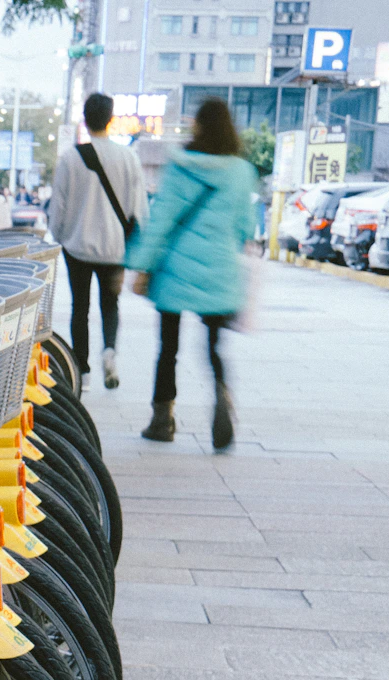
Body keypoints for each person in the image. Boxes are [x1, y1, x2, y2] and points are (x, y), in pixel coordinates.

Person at [126, 96, 257, 451]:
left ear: (198, 126)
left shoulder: (180, 167)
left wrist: (143, 266)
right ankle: (221, 393)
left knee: (168, 348)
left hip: (174, 271)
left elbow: (164, 220)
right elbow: (246, 227)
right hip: (220, 272)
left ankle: (162, 419)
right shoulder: (241, 171)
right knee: (214, 346)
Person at [48, 92, 147, 392]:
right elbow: (139, 208)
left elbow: (59, 208)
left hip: (77, 247)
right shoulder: (128, 157)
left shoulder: (70, 158)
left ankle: (83, 370)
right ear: (111, 120)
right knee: (110, 304)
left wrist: (61, 235)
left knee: (80, 307)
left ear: (85, 120)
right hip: (115, 249)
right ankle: (110, 352)